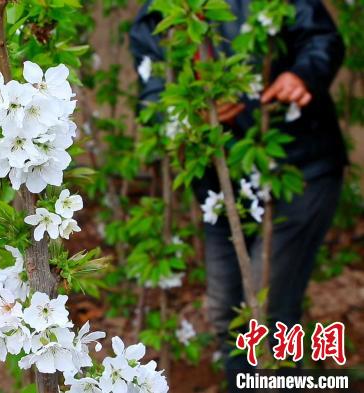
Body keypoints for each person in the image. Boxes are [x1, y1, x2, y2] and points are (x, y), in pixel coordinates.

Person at [130, 0, 347, 384]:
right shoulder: (153, 20)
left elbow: (321, 37)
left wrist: (302, 75)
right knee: (224, 309)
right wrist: (188, 115)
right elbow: (152, 98)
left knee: (267, 310)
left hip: (299, 167)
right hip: (221, 184)